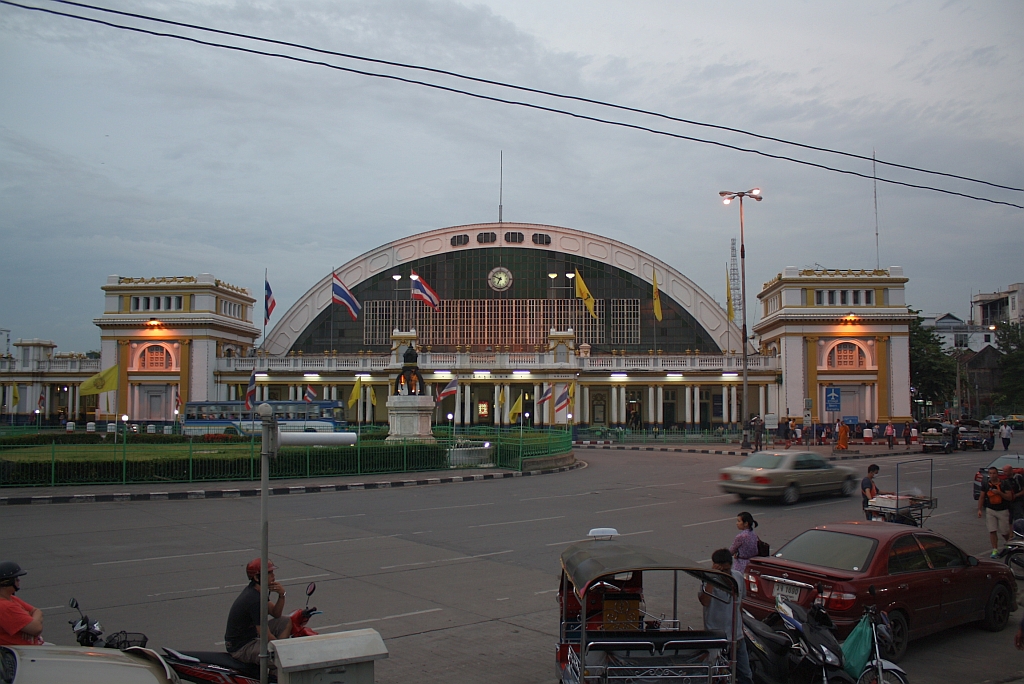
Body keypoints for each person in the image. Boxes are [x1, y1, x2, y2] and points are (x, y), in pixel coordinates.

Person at [698, 549, 752, 684]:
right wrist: (712, 576)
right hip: (716, 637)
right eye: (722, 570)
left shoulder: (738, 577)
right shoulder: (708, 579)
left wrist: (741, 627)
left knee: (745, 674)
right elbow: (705, 601)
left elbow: (739, 603)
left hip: (737, 637)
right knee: (716, 675)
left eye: (727, 570)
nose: (726, 573)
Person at [224, 558, 291, 666]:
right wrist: (282, 650)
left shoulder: (258, 591)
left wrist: (281, 595)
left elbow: (276, 613)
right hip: (242, 646)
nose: (273, 576)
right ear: (256, 577)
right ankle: (275, 672)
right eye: (269, 573)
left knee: (285, 621)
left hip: (252, 635)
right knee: (281, 659)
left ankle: (276, 654)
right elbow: (265, 634)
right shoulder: (254, 599)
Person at [0, 562, 44, 646]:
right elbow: (37, 628)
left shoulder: (11, 598)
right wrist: (33, 626)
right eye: (15, 579)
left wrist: (31, 624)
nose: (19, 580)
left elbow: (37, 611)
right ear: (4, 584)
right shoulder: (5, 607)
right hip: (23, 653)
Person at [978, 467, 1015, 557]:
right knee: (992, 530)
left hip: (1003, 510)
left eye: (994, 473)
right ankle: (995, 549)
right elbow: (982, 496)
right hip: (991, 509)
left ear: (997, 474)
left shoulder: (1004, 484)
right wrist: (979, 509)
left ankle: (1010, 544)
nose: (992, 475)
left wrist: (999, 493)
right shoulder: (986, 484)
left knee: (1004, 531)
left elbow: (1009, 497)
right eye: (990, 473)